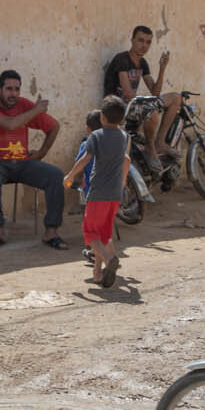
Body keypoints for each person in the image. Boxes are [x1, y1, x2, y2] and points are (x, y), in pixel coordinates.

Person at [0, 69, 68, 251]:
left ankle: (51, 231)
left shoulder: (24, 105)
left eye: (17, 89)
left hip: (23, 163)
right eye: (9, 89)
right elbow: (10, 125)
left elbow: (54, 126)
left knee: (56, 175)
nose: (14, 94)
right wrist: (36, 110)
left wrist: (41, 152)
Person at [65, 96, 131, 289]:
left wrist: (69, 175)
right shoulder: (123, 137)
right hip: (115, 194)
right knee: (103, 235)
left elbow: (86, 159)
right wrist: (124, 181)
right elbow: (126, 160)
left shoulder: (96, 136)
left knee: (90, 234)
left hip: (98, 194)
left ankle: (110, 259)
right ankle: (97, 273)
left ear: (102, 117)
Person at [102, 26, 177, 171]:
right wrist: (150, 103)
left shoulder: (142, 63)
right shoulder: (121, 59)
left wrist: (162, 68)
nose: (144, 45)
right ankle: (150, 148)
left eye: (148, 42)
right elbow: (128, 93)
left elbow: (155, 92)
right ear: (132, 40)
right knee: (152, 112)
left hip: (133, 104)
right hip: (118, 107)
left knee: (176, 98)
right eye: (141, 40)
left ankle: (159, 142)